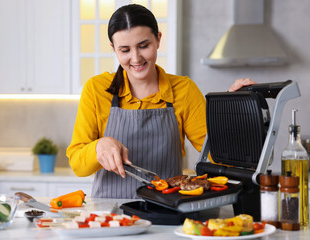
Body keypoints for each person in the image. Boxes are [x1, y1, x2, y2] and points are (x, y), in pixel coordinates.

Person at [66, 4, 256, 199]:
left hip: (166, 214)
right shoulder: (97, 89)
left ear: (158, 39)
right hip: (110, 218)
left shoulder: (184, 90)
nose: (136, 58)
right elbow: (78, 166)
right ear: (113, 49)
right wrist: (98, 147)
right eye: (125, 50)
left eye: (143, 46)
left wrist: (234, 112)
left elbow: (219, 159)